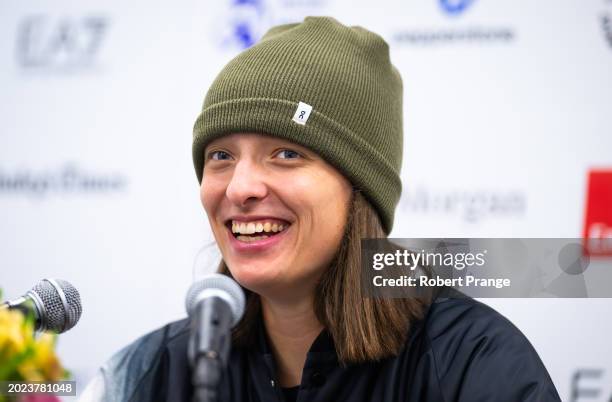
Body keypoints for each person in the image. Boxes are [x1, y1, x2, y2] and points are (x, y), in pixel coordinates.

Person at [79, 16, 561, 402]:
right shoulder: (152, 371)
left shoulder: (470, 360)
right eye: (220, 156)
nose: (240, 187)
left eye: (287, 154)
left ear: (360, 188)